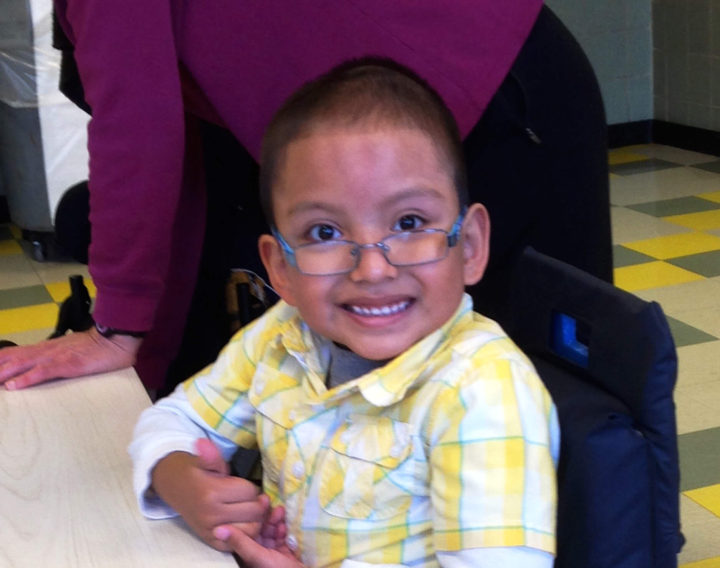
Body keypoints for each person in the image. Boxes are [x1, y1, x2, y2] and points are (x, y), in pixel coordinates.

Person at [129, 58, 559, 568]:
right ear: (279, 265)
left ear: (471, 245)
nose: (372, 267)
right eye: (325, 233)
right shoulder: (283, 335)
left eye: (410, 222)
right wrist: (181, 477)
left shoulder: (481, 388)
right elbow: (173, 418)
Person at [0, 1, 610, 395]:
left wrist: (118, 327)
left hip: (494, 86)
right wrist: (137, 337)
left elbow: (138, 122)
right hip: (407, 103)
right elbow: (180, 155)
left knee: (541, 386)